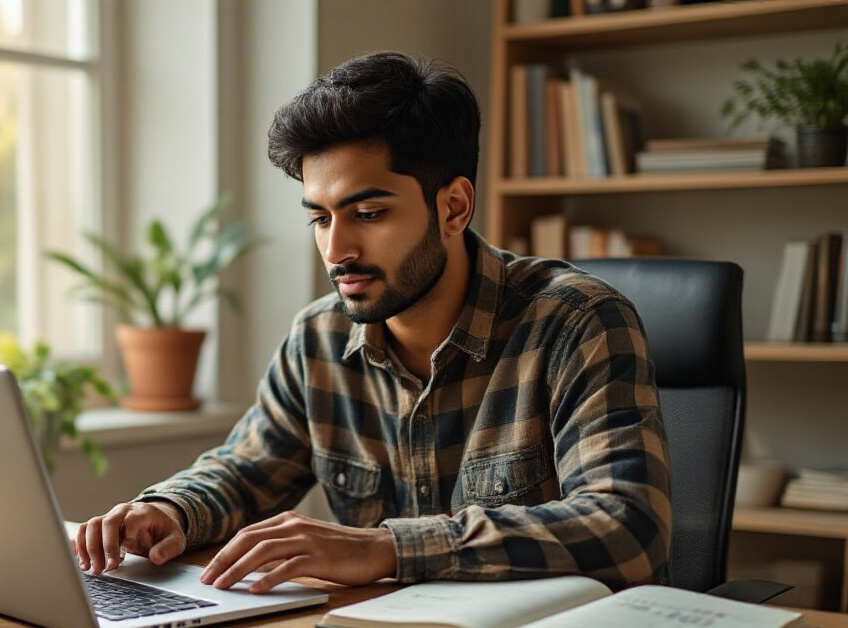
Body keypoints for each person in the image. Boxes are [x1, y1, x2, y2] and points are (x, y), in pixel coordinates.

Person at [73, 51, 671, 595]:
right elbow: (245, 471)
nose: (338, 249)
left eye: (369, 212)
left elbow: (627, 527)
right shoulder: (318, 340)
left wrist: (385, 548)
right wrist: (171, 511)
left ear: (453, 207)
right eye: (321, 219)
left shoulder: (577, 321)